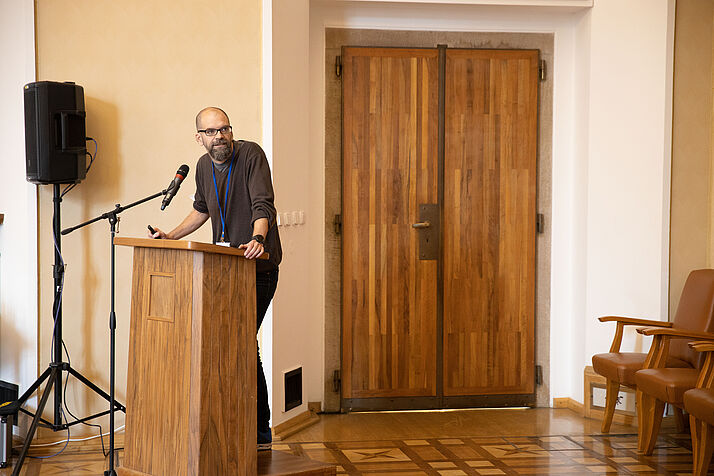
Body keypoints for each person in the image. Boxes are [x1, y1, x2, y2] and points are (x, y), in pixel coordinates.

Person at [149, 107, 281, 448]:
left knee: (241, 343)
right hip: (222, 268)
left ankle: (260, 432)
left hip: (257, 267)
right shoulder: (203, 167)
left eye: (224, 129)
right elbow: (202, 209)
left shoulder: (251, 155)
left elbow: (263, 205)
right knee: (230, 345)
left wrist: (258, 238)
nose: (219, 136)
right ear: (199, 138)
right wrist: (171, 237)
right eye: (211, 131)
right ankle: (236, 424)